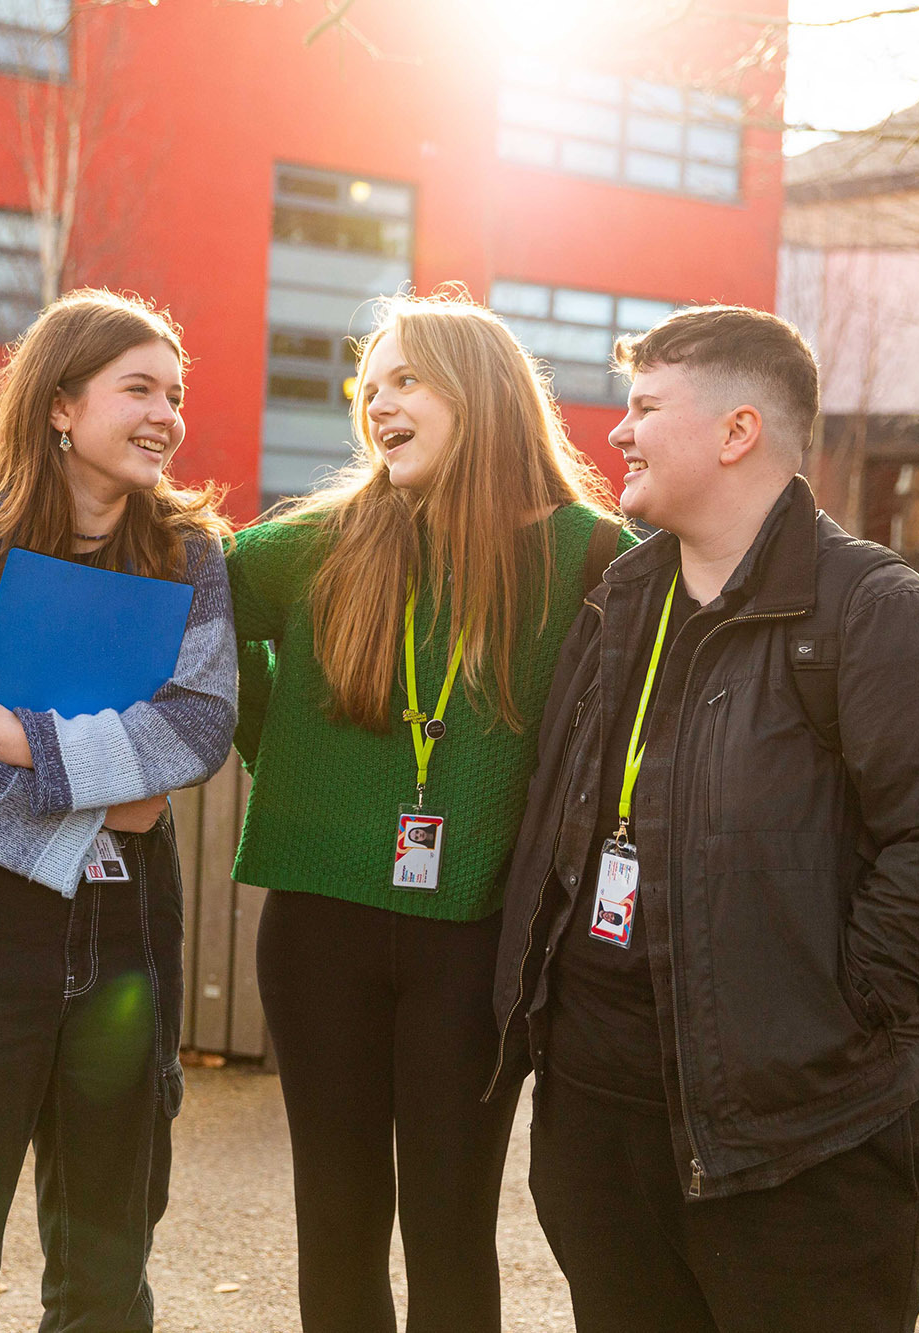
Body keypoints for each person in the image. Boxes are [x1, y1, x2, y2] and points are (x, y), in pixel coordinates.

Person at [490, 305, 919, 1332]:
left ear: (737, 432)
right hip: (601, 1132)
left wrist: (834, 1014)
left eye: (644, 406)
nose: (617, 431)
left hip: (808, 1146)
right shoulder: (619, 599)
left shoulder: (879, 612)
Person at [227, 293, 627, 1333]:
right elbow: (193, 623)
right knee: (337, 1216)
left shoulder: (591, 555)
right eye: (368, 390)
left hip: (479, 942)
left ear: (480, 391)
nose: (377, 405)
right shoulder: (316, 543)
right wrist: (278, 752)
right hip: (316, 928)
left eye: (404, 379)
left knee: (450, 1224)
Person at [0, 289, 236, 1333]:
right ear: (62, 404)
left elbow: (199, 724)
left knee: (106, 1279)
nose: (166, 413)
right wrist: (98, 807)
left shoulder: (189, 553)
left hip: (128, 934)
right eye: (139, 389)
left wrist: (32, 740)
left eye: (175, 393)